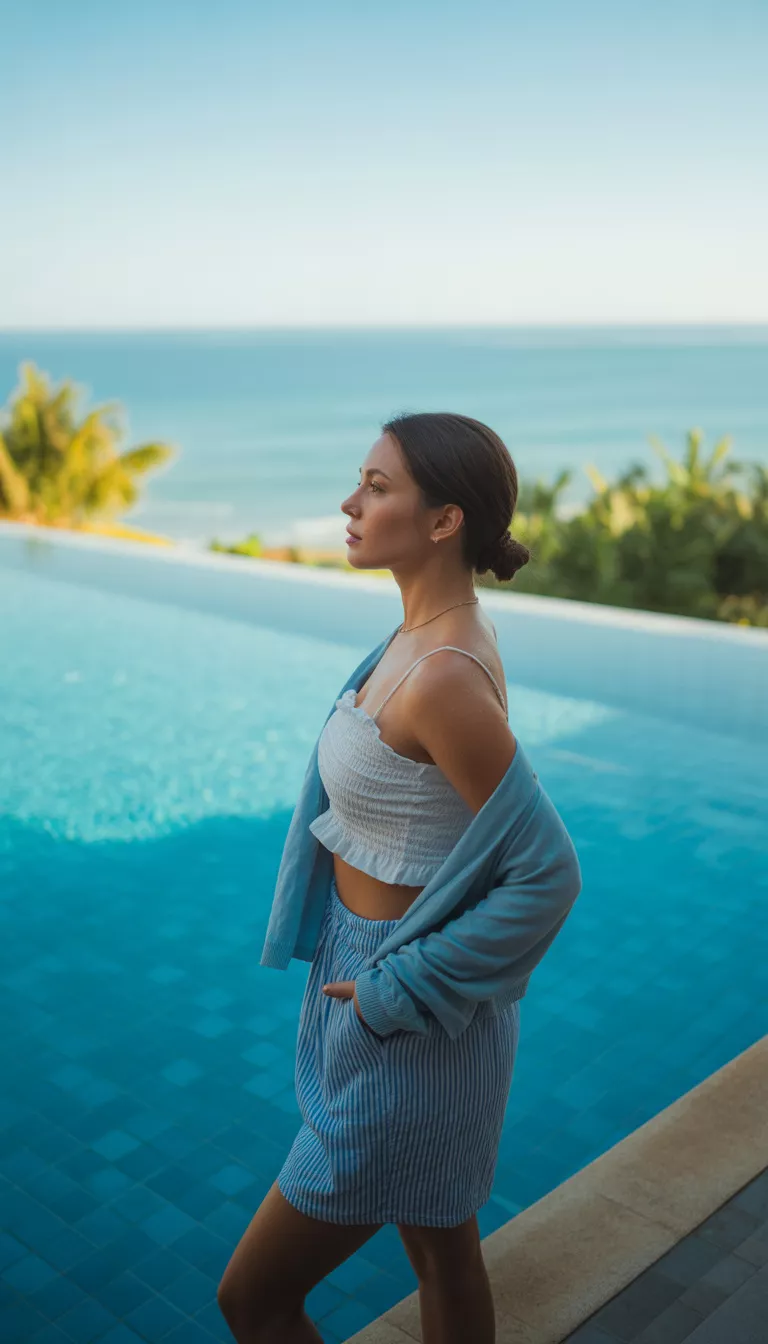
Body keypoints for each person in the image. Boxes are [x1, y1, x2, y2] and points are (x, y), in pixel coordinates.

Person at [218, 412, 581, 1344]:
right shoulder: (412, 638)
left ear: (443, 520)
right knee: (440, 1246)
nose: (350, 502)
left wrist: (396, 987)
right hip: (380, 993)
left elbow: (547, 873)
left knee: (251, 1300)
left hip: (408, 1018)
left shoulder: (442, 677)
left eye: (378, 487)